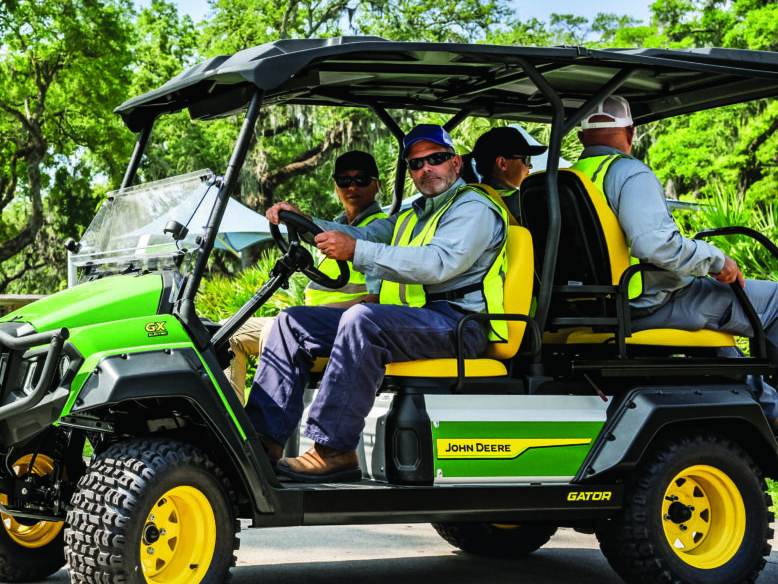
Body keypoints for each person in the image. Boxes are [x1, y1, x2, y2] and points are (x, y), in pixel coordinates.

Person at [570, 95, 778, 445]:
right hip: (646, 303)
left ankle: (773, 412)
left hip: (589, 306)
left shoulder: (568, 178)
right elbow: (653, 245)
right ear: (631, 133)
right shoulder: (629, 173)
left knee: (718, 330)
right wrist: (716, 259)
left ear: (580, 138)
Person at [246, 123, 509, 482]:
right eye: (416, 164)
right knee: (292, 323)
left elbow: (438, 263)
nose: (426, 169)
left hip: (460, 323)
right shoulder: (415, 215)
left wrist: (356, 251)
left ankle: (333, 449)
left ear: (456, 164)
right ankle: (262, 444)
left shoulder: (473, 208)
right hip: (418, 320)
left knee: (362, 319)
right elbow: (363, 234)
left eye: (437, 159)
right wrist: (307, 223)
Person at [224, 151, 387, 404]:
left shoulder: (380, 230)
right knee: (227, 333)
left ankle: (270, 431)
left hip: (344, 329)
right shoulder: (333, 227)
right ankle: (232, 427)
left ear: (377, 185)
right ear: (335, 186)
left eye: (362, 180)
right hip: (315, 323)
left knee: (281, 330)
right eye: (344, 181)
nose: (352, 186)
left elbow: (377, 300)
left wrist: (304, 222)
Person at [469, 126, 546, 220]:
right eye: (526, 159)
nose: (530, 166)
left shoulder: (472, 197)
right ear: (502, 163)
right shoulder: (524, 204)